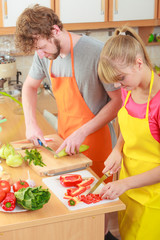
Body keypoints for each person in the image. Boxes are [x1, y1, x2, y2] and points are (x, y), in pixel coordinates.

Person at [15, 4, 121, 179]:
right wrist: (31, 123)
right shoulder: (44, 55)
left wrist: (81, 132)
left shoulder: (98, 53)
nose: (40, 54)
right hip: (64, 141)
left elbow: (118, 101)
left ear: (55, 30)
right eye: (36, 50)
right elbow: (29, 87)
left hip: (96, 145)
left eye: (41, 47)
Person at [98, 25, 160, 240]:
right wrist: (118, 148)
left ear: (138, 63)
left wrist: (124, 183)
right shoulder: (129, 89)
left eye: (121, 78)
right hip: (129, 189)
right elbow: (129, 126)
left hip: (154, 200)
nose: (119, 85)